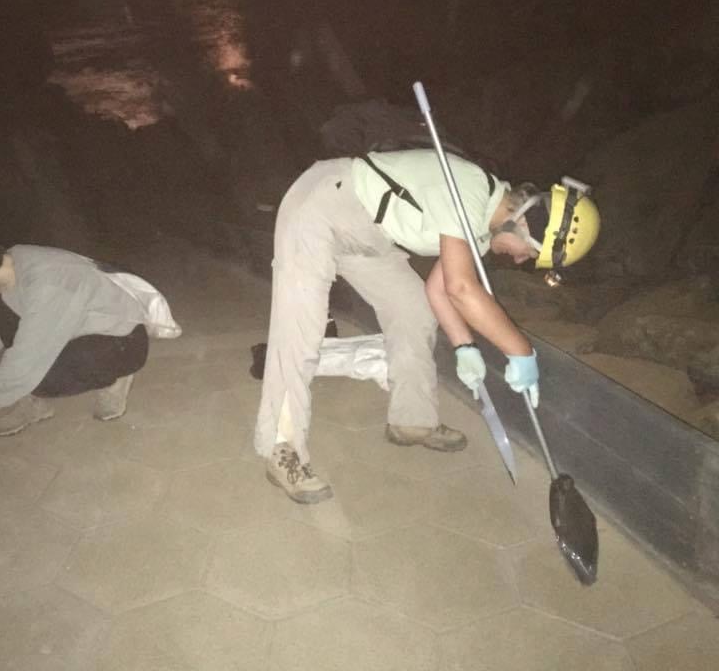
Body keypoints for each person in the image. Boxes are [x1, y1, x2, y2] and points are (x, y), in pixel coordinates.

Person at [255, 149, 600, 503]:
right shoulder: (468, 187)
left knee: (414, 309)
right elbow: (462, 288)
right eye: (529, 252)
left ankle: (412, 419)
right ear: (524, 221)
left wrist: (465, 346)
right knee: (300, 333)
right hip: (323, 204)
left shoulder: (479, 228)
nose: (519, 259)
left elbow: (439, 289)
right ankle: (282, 449)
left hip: (367, 235)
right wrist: (521, 351)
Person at [0, 219, 179, 444]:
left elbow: (24, 362)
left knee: (34, 371)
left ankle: (114, 380)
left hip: (122, 341)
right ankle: (40, 399)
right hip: (79, 331)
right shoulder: (6, 274)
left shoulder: (48, 284)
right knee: (7, 327)